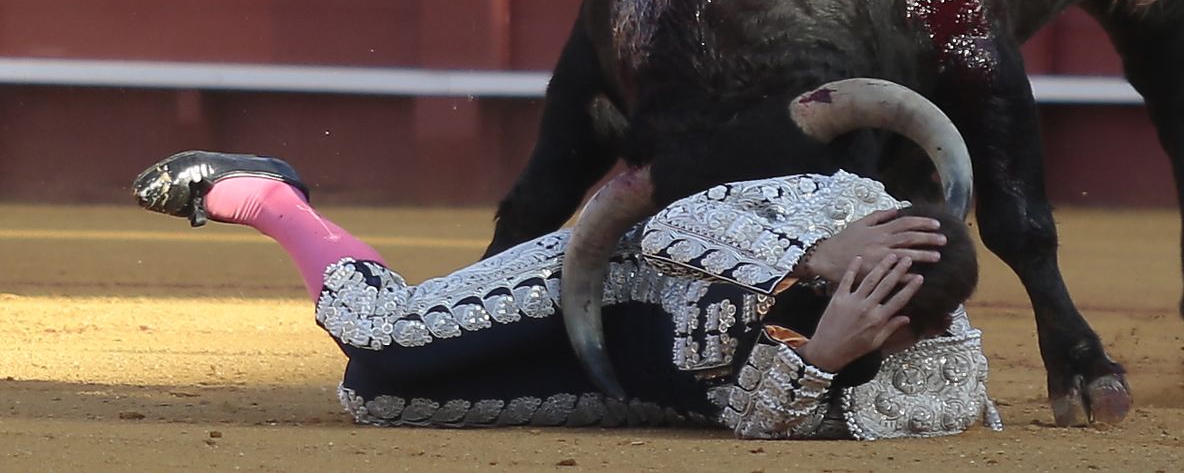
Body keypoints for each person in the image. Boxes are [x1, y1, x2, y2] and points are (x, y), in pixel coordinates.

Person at [133, 150, 1002, 439]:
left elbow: (754, 424)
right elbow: (664, 224)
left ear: (914, 334)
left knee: (378, 398)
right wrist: (810, 253)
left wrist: (821, 357)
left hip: (623, 389)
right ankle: (275, 200)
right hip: (600, 279)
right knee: (383, 335)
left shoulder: (935, 385)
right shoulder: (834, 203)